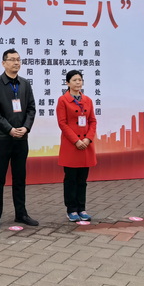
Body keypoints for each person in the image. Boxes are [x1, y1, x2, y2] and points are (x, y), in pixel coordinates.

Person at [0, 48, 37, 230]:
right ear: (3, 63)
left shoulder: (25, 84)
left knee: (20, 177)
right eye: (12, 59)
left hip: (21, 138)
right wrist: (9, 129)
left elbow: (31, 108)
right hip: (2, 138)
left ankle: (21, 214)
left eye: (18, 59)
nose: (16, 63)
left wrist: (26, 127)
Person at [57, 70, 97, 222]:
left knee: (82, 180)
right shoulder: (63, 100)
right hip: (71, 146)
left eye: (80, 79)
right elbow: (62, 123)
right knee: (71, 180)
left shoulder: (88, 100)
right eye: (74, 80)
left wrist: (88, 139)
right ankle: (71, 209)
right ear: (67, 83)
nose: (78, 82)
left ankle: (82, 208)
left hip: (86, 145)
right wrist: (76, 140)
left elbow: (92, 121)